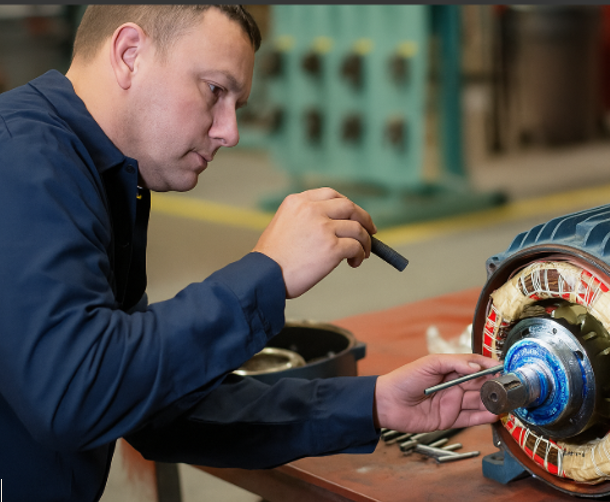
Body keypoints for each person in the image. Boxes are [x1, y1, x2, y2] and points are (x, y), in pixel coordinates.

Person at [0, 5, 499, 501]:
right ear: (130, 54)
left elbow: (149, 403)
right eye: (215, 90)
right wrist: (268, 273)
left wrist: (374, 403)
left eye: (237, 104)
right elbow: (73, 395)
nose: (230, 132)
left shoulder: (100, 174)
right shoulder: (22, 160)